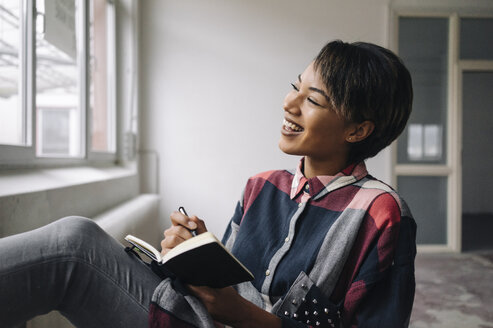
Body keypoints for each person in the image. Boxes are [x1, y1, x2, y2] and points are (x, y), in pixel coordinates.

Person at [0, 40, 416, 328]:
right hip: (190, 314)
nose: (289, 104)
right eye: (295, 87)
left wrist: (245, 315)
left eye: (313, 99)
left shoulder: (381, 213)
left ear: (358, 130)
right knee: (78, 237)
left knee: (74, 248)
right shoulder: (261, 187)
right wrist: (194, 254)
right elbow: (228, 289)